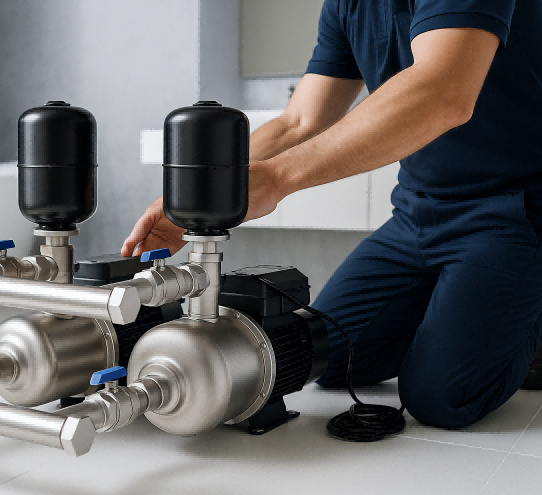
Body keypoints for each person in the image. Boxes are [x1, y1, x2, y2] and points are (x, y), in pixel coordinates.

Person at [121, 0, 542, 429]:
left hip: (511, 211)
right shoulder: (347, 5)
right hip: (416, 213)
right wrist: (199, 197)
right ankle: (473, 314)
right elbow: (300, 121)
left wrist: (278, 178)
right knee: (327, 356)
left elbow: (443, 92)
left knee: (442, 398)